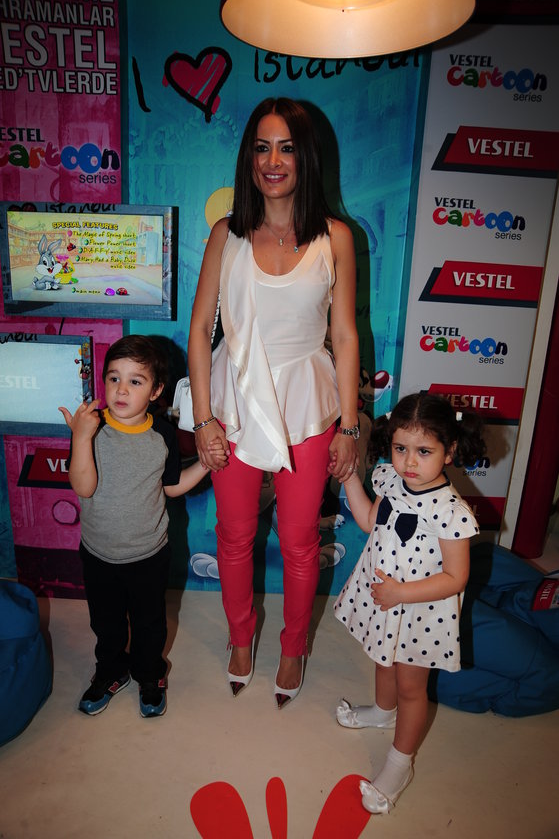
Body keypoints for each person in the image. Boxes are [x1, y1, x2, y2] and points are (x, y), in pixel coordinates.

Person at [187, 97, 360, 707]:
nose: (273, 160)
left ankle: (292, 647)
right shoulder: (226, 234)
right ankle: (241, 638)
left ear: (305, 156)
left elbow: (344, 335)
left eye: (286, 147)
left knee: (299, 540)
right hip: (233, 406)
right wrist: (202, 420)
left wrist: (350, 427)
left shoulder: (336, 237)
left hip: (308, 404)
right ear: (249, 158)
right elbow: (200, 329)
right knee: (234, 534)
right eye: (262, 147)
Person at [333, 392, 485, 813]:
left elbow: (456, 577)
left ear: (449, 451)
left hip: (421, 612)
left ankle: (400, 764)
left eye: (424, 451)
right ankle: (383, 712)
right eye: (401, 449)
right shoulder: (389, 480)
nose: (409, 462)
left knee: (411, 688)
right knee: (383, 661)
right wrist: (349, 478)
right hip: (385, 599)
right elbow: (370, 521)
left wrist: (401, 593)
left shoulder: (451, 512)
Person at [59, 335, 220, 718]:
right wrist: (80, 437)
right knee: (106, 624)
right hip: (99, 553)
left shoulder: (162, 435)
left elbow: (171, 486)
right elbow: (83, 487)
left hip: (148, 554)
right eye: (114, 378)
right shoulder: (91, 427)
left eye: (135, 381)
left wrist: (205, 465)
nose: (121, 389)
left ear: (156, 390)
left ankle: (150, 675)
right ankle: (110, 671)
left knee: (150, 625)